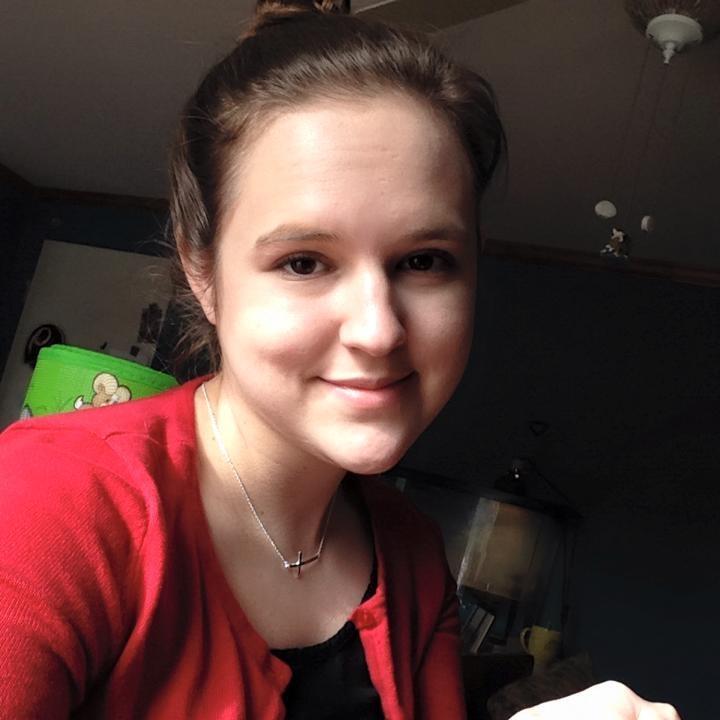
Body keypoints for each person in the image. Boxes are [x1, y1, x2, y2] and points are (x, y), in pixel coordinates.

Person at [0, 1, 680, 718]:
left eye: (424, 260)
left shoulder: (412, 557)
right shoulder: (48, 503)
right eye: (303, 262)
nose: (378, 330)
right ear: (203, 272)